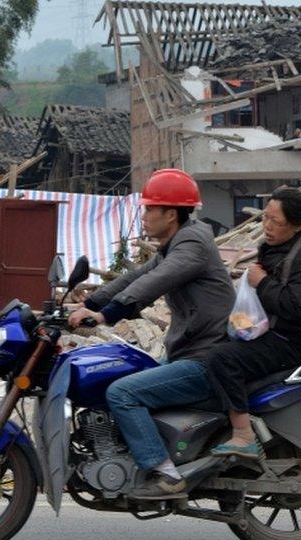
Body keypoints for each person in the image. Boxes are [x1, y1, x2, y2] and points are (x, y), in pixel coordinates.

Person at [68, 169, 235, 499]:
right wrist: (90, 301)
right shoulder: (177, 243)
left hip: (207, 358)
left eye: (149, 209)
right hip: (192, 351)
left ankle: (165, 473)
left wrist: (106, 314)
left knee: (121, 393)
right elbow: (135, 276)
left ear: (171, 214)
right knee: (130, 373)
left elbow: (152, 283)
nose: (143, 216)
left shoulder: (192, 245)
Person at [204, 187, 301, 460]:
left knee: (221, 359)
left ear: (296, 226)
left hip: (292, 343)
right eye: (265, 218)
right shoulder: (274, 248)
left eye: (276, 221)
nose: (267, 227)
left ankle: (243, 435)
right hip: (271, 332)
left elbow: (298, 308)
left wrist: (261, 283)